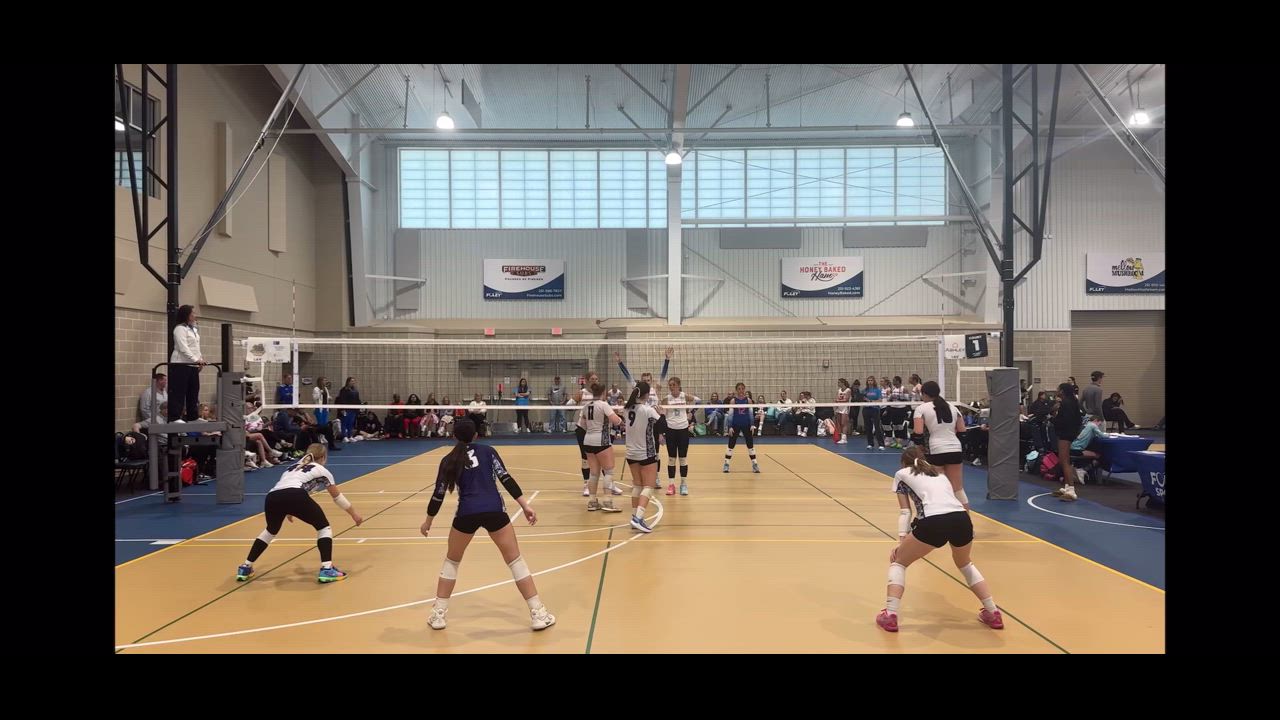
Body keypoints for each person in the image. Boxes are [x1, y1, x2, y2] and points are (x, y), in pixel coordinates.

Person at [420, 420, 556, 631]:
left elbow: (438, 495)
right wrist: (525, 506)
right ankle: (538, 614)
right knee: (515, 561)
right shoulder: (488, 451)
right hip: (494, 510)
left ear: (454, 436)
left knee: (452, 561)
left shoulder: (448, 460)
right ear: (476, 435)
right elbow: (506, 479)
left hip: (466, 513)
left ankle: (438, 615)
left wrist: (428, 521)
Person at [876, 446, 1003, 633]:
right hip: (962, 519)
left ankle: (890, 614)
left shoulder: (901, 474)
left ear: (904, 463)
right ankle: (993, 612)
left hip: (934, 521)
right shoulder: (940, 474)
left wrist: (902, 542)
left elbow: (905, 512)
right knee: (965, 564)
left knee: (899, 562)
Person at [235, 444, 363, 584]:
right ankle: (327, 569)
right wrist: (354, 514)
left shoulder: (293, 467)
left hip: (272, 497)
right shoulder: (322, 470)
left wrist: (290, 510)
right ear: (323, 457)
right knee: (323, 528)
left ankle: (246, 566)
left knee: (270, 531)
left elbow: (288, 487)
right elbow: (337, 497)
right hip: (295, 495)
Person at [911, 380, 970, 510]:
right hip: (955, 449)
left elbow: (918, 433)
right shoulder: (953, 407)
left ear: (924, 394)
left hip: (936, 449)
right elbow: (963, 432)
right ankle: (966, 519)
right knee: (958, 489)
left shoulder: (921, 409)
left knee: (936, 487)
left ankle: (937, 515)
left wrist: (919, 449)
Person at [580, 382, 624, 512]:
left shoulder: (586, 406)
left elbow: (582, 424)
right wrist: (621, 421)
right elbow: (616, 420)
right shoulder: (604, 405)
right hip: (602, 441)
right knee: (608, 472)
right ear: (603, 393)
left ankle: (592, 502)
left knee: (594, 473)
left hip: (588, 440)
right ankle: (608, 502)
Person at [623, 382, 661, 531]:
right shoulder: (648, 410)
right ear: (645, 395)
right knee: (648, 486)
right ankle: (638, 518)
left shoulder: (627, 409)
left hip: (631, 453)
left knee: (637, 485)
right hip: (646, 452)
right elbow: (662, 425)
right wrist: (662, 413)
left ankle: (634, 516)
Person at [661, 377, 700, 496]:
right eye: (670, 385)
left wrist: (691, 413)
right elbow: (661, 415)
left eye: (673, 385)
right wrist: (661, 432)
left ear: (678, 385)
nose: (671, 387)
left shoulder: (684, 396)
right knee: (671, 459)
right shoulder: (666, 399)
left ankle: (683, 484)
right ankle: (671, 485)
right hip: (670, 430)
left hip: (683, 430)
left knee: (683, 458)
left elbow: (698, 401)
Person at [168, 304, 205, 421]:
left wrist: (200, 360)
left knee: (193, 391)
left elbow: (196, 347)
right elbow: (183, 348)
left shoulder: (193, 329)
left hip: (192, 365)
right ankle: (174, 417)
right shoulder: (180, 329)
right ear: (187, 315)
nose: (195, 315)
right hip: (181, 364)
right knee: (179, 392)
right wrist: (196, 360)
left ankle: (193, 416)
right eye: (193, 313)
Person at [1052, 382, 1084, 502]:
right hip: (1069, 433)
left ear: (1062, 391)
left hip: (1065, 434)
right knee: (1063, 460)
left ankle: (1071, 490)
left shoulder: (1066, 403)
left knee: (1064, 460)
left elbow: (1064, 420)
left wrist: (1054, 419)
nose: (1056, 390)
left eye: (1058, 389)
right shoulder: (1072, 402)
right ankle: (1066, 487)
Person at [723, 383, 760, 474]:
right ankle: (726, 464)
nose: (741, 391)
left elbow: (751, 414)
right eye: (739, 389)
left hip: (746, 424)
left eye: (742, 389)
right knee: (731, 444)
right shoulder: (733, 401)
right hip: (735, 424)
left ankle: (754, 464)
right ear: (736, 390)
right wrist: (730, 427)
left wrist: (752, 425)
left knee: (750, 444)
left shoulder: (748, 400)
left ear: (744, 389)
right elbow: (730, 415)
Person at [862, 376, 885, 450]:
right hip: (866, 409)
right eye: (868, 380)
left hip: (875, 409)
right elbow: (860, 398)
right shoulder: (864, 390)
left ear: (874, 381)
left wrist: (870, 401)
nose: (870, 381)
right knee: (868, 427)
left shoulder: (877, 390)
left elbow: (880, 400)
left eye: (871, 380)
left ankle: (881, 444)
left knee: (877, 427)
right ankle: (870, 444)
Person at [834, 378, 852, 445]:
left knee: (844, 423)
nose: (838, 383)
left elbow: (846, 399)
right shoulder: (839, 390)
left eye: (839, 382)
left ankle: (844, 439)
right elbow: (837, 398)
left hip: (845, 408)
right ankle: (842, 437)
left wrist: (838, 401)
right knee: (839, 423)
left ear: (842, 383)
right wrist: (836, 408)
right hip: (839, 408)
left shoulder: (848, 390)